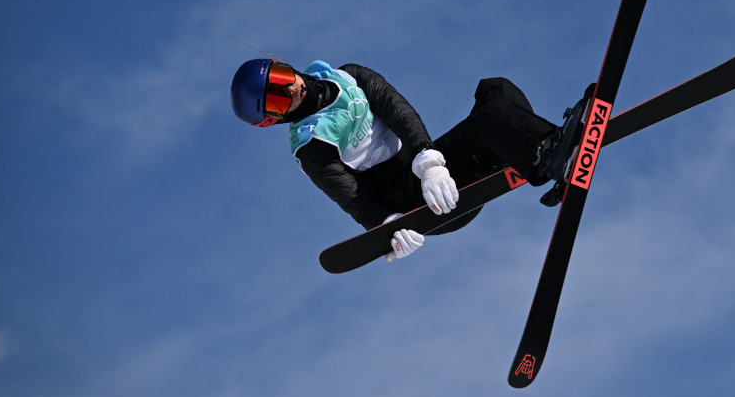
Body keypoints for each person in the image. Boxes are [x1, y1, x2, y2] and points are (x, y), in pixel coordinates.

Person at [230, 57, 590, 262]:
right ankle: (549, 154)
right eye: (277, 99)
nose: (290, 88)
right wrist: (388, 229)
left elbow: (398, 111)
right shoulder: (310, 145)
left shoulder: (349, 76)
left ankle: (538, 154)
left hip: (433, 171)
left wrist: (429, 161)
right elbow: (352, 198)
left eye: (280, 77)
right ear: (272, 120)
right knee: (488, 118)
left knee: (495, 90)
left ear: (282, 63)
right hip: (419, 201)